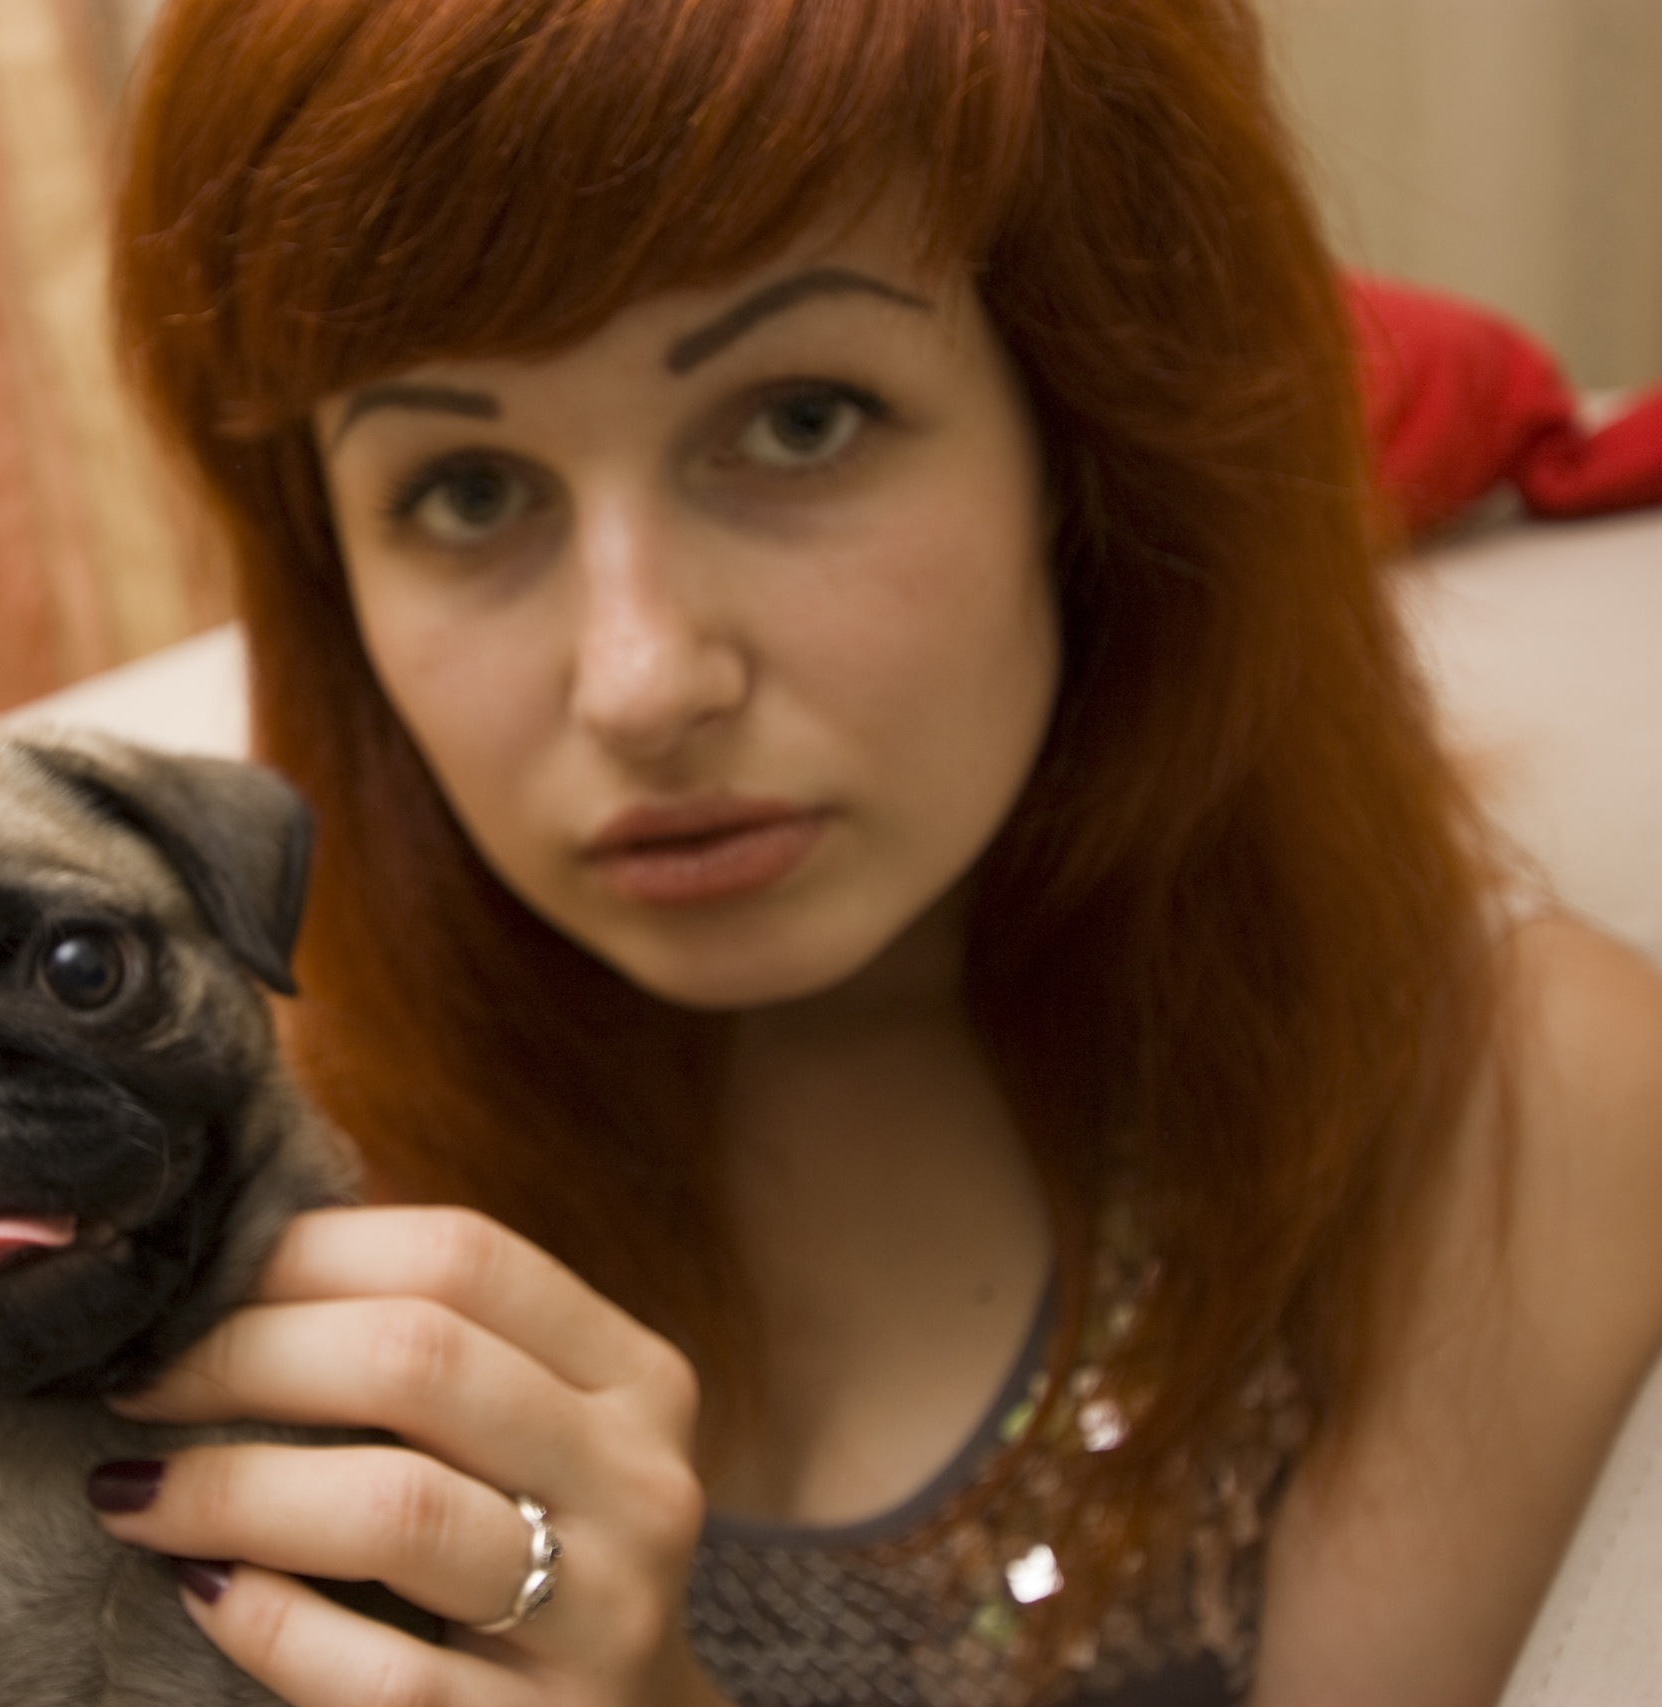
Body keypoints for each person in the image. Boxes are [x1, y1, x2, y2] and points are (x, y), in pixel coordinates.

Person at [85, 1, 1662, 1702]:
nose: (643, 681)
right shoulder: (216, 1140)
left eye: (800, 421)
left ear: (1082, 433)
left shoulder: (1503, 1111)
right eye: (468, 489)